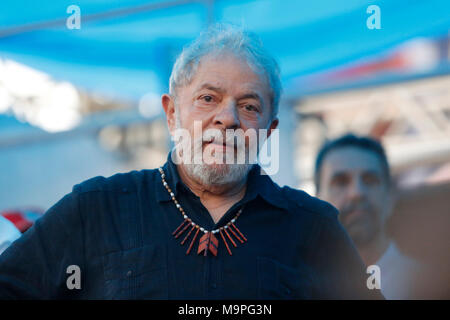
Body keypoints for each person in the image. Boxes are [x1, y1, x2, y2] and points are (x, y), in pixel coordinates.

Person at [0, 24, 382, 299]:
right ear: (171, 114)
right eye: (208, 98)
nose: (228, 118)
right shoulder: (96, 208)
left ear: (268, 129)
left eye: (249, 106)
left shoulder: (313, 227)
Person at [315, 133, 423, 299]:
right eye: (341, 182)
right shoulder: (294, 289)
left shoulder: (431, 286)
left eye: (370, 180)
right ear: (316, 201)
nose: (357, 193)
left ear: (391, 197)